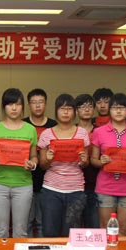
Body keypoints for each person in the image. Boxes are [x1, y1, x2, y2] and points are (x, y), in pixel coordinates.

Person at [90, 93, 126, 236]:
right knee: (105, 229)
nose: (119, 111)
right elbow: (93, 160)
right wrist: (101, 161)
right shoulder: (99, 132)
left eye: (122, 108)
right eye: (115, 108)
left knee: (124, 230)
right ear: (109, 110)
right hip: (106, 186)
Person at [0, 88, 38, 238]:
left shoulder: (30, 129)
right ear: (4, 107)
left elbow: (34, 157)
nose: (14, 108)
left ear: (23, 107)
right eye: (10, 104)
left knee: (20, 232)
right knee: (0, 231)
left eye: (18, 104)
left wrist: (32, 164)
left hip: (23, 185)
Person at [38, 94, 90, 237]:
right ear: (56, 111)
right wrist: (48, 159)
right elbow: (42, 165)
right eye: (62, 108)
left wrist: (84, 160)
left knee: (72, 234)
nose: (66, 112)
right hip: (51, 189)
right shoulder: (47, 134)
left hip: (76, 189)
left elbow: (85, 164)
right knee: (49, 232)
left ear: (74, 112)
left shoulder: (82, 133)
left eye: (69, 109)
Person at [23, 88, 57, 237]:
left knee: (44, 222)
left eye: (41, 102)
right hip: (25, 179)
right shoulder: (22, 125)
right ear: (28, 105)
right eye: (34, 102)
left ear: (46, 104)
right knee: (27, 222)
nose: (37, 105)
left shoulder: (54, 125)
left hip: (48, 181)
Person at [75, 93, 99, 228]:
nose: (87, 109)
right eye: (82, 106)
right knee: (74, 227)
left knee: (94, 225)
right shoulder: (71, 131)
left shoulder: (100, 131)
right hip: (74, 184)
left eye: (90, 106)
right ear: (76, 111)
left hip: (95, 184)